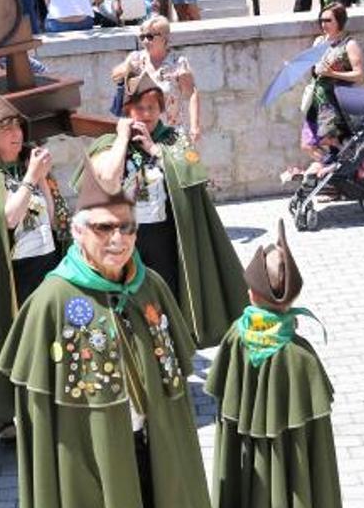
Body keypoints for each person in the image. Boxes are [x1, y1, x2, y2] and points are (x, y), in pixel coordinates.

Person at [0, 161, 226, 508]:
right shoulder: (53, 300)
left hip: (154, 445)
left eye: (127, 228)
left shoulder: (148, 285)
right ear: (79, 231)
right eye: (103, 228)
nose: (118, 240)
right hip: (93, 461)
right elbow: (38, 417)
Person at [206, 220, 351, 508]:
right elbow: (315, 452)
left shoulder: (235, 337)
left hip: (246, 466)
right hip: (293, 475)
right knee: (299, 485)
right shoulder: (301, 358)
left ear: (251, 295)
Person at [87, 72, 246, 347]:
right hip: (125, 236)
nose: (146, 114)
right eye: (139, 107)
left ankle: (172, 343)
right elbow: (105, 180)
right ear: (127, 110)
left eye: (152, 107)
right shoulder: (108, 144)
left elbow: (195, 170)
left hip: (164, 234)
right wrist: (124, 140)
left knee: (166, 289)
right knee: (131, 290)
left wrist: (155, 149)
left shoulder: (174, 139)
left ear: (161, 109)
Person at [0, 84, 70, 441]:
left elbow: (53, 219)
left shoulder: (26, 165)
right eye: (7, 130)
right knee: (19, 341)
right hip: (13, 271)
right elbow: (4, 219)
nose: (17, 135)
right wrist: (31, 180)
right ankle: (11, 415)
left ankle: (52, 404)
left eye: (19, 128)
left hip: (46, 262)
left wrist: (43, 182)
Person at [292, 3, 363, 180]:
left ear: (339, 21)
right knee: (307, 144)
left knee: (330, 140)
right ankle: (333, 169)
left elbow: (359, 75)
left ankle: (335, 180)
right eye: (321, 20)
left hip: (334, 101)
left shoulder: (349, 44)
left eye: (328, 20)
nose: (323, 24)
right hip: (316, 99)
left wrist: (332, 73)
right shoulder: (319, 41)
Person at [108, 15, 200, 141]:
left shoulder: (177, 63)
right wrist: (126, 68)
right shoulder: (136, 58)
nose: (145, 41)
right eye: (142, 37)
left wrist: (194, 126)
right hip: (139, 130)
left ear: (164, 38)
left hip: (170, 131)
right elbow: (115, 76)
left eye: (150, 37)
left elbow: (191, 94)